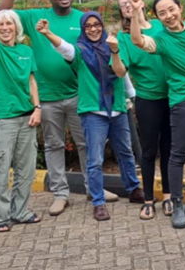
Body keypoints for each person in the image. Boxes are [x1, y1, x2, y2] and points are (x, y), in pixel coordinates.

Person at [0, 0, 118, 216]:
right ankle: (60, 194)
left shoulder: (84, 19)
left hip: (80, 94)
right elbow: (1, 14)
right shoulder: (35, 16)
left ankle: (93, 188)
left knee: (86, 144)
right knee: (54, 145)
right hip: (48, 96)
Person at [35, 13, 145, 221]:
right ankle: (98, 202)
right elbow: (63, 47)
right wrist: (48, 33)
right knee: (94, 159)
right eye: (88, 26)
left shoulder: (115, 46)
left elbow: (121, 73)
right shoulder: (79, 52)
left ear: (102, 26)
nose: (93, 29)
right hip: (93, 111)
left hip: (117, 108)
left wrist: (114, 52)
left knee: (125, 152)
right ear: (83, 29)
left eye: (96, 25)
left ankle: (134, 189)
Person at [130, 0, 185, 229]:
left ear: (180, 8)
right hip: (182, 101)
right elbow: (137, 41)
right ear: (157, 17)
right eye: (162, 13)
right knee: (177, 154)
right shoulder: (160, 39)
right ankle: (176, 204)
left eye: (171, 10)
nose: (168, 16)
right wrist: (135, 12)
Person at [0, 0, 42, 232]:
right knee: (0, 170)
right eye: (0, 25)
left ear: (17, 28)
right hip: (2, 120)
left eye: (9, 24)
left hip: (27, 118)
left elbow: (32, 80)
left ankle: (20, 211)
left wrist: (38, 108)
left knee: (26, 170)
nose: (5, 28)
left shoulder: (26, 51)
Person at [118, 0, 172, 220]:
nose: (128, 5)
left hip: (173, 97)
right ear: (121, 12)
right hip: (148, 100)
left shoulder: (161, 25)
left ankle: (169, 196)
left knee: (170, 149)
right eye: (123, 5)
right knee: (149, 151)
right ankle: (148, 199)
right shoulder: (123, 38)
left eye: (131, 0)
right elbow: (121, 71)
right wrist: (112, 52)